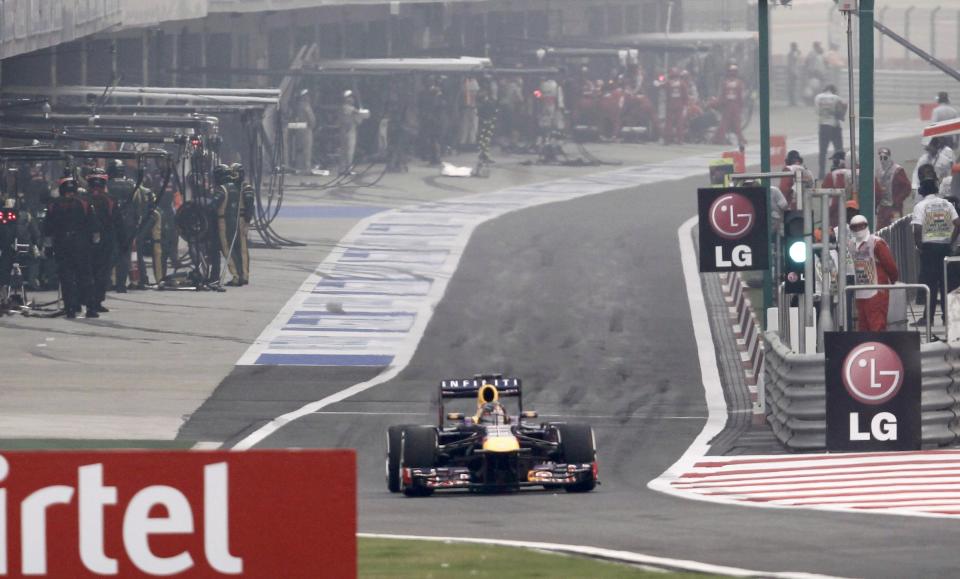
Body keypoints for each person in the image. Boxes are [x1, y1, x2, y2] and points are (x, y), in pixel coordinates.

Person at [44, 177, 99, 319]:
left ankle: (71, 308)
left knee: (67, 277)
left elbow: (48, 228)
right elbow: (93, 226)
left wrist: (48, 247)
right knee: (85, 276)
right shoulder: (85, 203)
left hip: (62, 244)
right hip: (81, 244)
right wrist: (94, 244)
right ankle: (91, 307)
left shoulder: (53, 205)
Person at [912, 179, 960, 326]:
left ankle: (928, 318)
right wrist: (951, 241)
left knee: (930, 285)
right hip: (945, 248)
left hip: (929, 249)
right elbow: (958, 224)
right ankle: (948, 317)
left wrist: (920, 247)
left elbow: (918, 229)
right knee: (946, 284)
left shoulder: (920, 206)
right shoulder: (947, 204)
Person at [848, 215, 899, 331]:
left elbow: (890, 265)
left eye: (861, 226)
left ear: (866, 226)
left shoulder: (876, 243)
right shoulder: (851, 245)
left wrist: (893, 279)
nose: (858, 229)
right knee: (863, 327)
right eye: (855, 227)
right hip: (861, 292)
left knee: (877, 325)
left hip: (877, 290)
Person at [83, 169, 121, 313]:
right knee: (101, 273)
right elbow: (118, 223)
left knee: (87, 272)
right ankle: (96, 301)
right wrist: (123, 241)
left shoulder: (83, 199)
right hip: (106, 242)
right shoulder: (110, 200)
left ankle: (87, 301)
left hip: (86, 242)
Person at [215, 164, 252, 286]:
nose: (233, 175)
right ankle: (241, 274)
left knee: (242, 249)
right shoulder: (232, 187)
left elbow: (250, 206)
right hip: (232, 218)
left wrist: (247, 221)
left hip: (240, 219)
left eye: (235, 173)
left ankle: (243, 275)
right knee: (235, 248)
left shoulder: (245, 187)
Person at [814, 84, 847, 179]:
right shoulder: (836, 98)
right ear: (833, 90)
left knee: (822, 151)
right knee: (839, 150)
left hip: (823, 125)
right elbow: (843, 108)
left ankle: (821, 172)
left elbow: (817, 111)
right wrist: (842, 115)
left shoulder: (818, 97)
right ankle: (838, 170)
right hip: (834, 126)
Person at [875, 147, 912, 228]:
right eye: (880, 158)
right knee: (880, 230)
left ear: (889, 157)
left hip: (894, 208)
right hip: (882, 208)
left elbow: (907, 187)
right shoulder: (878, 170)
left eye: (885, 158)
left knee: (896, 229)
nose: (882, 160)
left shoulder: (897, 170)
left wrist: (898, 200)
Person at [713, 64, 745, 147]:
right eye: (731, 72)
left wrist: (741, 106)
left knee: (735, 124)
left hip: (734, 105)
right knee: (724, 123)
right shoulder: (727, 82)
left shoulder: (738, 83)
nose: (732, 74)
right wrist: (720, 103)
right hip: (728, 104)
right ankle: (720, 139)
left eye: (733, 72)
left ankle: (740, 139)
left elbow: (740, 95)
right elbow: (722, 94)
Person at [292, 88, 316, 175]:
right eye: (307, 95)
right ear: (304, 96)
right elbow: (311, 118)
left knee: (299, 149)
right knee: (307, 149)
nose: (309, 97)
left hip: (299, 128)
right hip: (306, 128)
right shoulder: (306, 105)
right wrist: (313, 126)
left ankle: (299, 168)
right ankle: (306, 169)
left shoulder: (297, 105)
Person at [663, 68, 688, 144]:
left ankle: (667, 140)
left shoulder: (668, 83)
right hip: (679, 105)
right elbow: (685, 96)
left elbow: (665, 93)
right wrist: (685, 105)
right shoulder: (682, 83)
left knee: (669, 123)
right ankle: (680, 140)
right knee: (679, 122)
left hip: (670, 105)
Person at [458, 75, 480, 150]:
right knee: (469, 125)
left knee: (468, 125)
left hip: (468, 107)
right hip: (470, 107)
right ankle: (469, 142)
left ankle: (466, 142)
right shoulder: (472, 82)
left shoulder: (465, 82)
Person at [786, 42, 801, 107]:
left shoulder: (791, 54)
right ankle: (793, 102)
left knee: (792, 87)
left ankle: (792, 101)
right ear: (793, 47)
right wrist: (794, 73)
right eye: (795, 46)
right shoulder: (791, 54)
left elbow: (799, 53)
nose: (796, 48)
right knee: (793, 87)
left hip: (792, 72)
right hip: (792, 72)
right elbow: (791, 64)